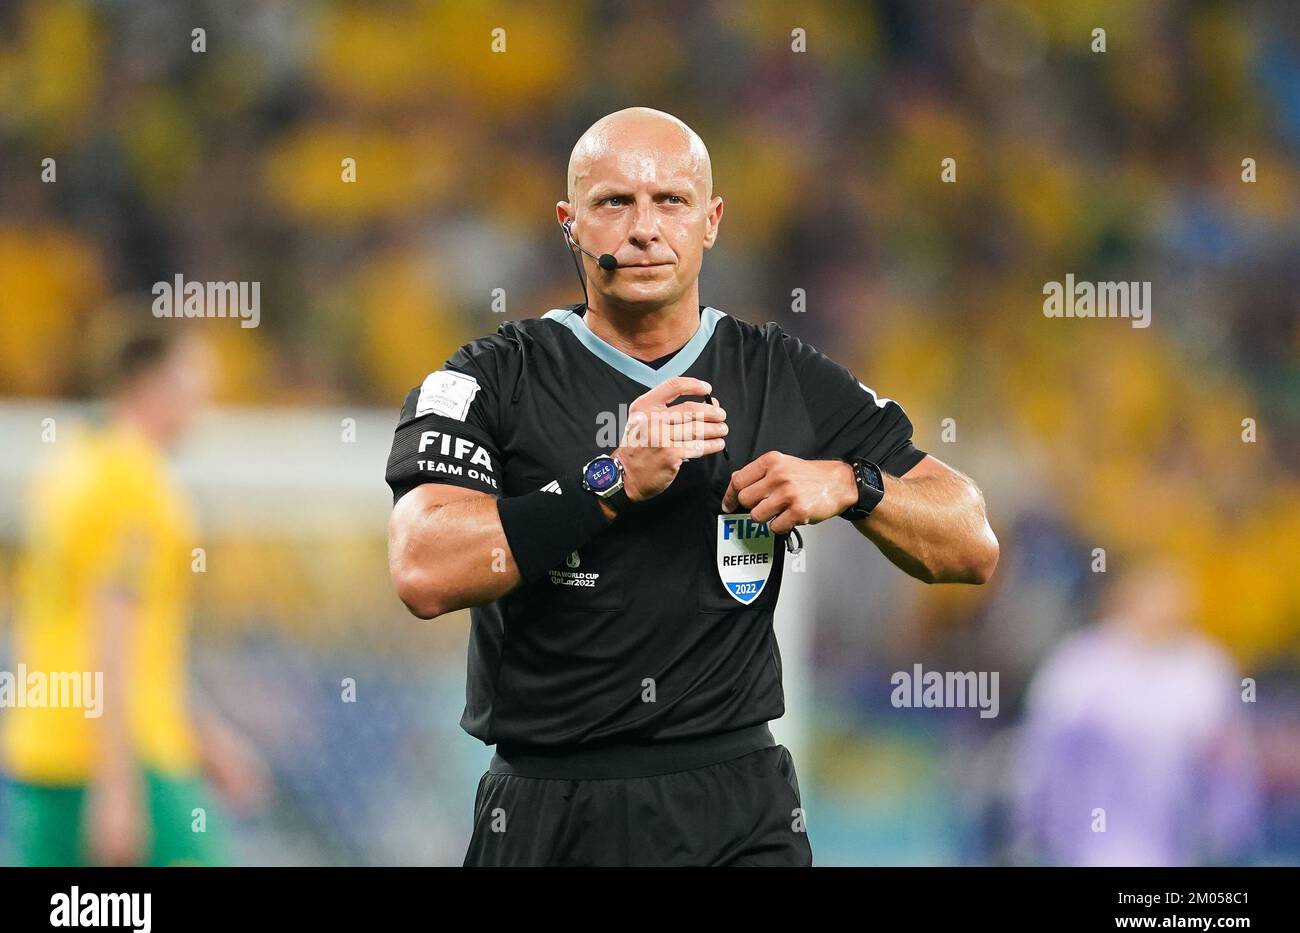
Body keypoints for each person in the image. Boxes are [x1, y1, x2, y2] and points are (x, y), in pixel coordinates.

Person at [385, 107, 998, 866]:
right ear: (569, 222)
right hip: (548, 808)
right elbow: (423, 570)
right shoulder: (491, 379)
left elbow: (971, 540)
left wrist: (852, 483)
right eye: (614, 202)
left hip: (737, 811)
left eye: (670, 201)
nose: (644, 228)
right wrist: (609, 481)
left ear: (710, 221)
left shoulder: (781, 375)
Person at [3, 327, 267, 865]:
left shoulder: (70, 467)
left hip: (51, 743)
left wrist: (200, 734)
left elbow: (71, 622)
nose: (204, 402)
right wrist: (118, 789)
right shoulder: (134, 483)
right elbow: (111, 628)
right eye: (194, 381)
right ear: (151, 384)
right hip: (121, 755)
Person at [1014, 560, 1261, 865]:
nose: (1164, 605)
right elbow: (1044, 754)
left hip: (1176, 844)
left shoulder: (1205, 668)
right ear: (1124, 595)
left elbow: (1229, 765)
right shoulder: (1079, 665)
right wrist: (1035, 824)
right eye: (1153, 593)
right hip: (1089, 844)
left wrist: (1227, 833)